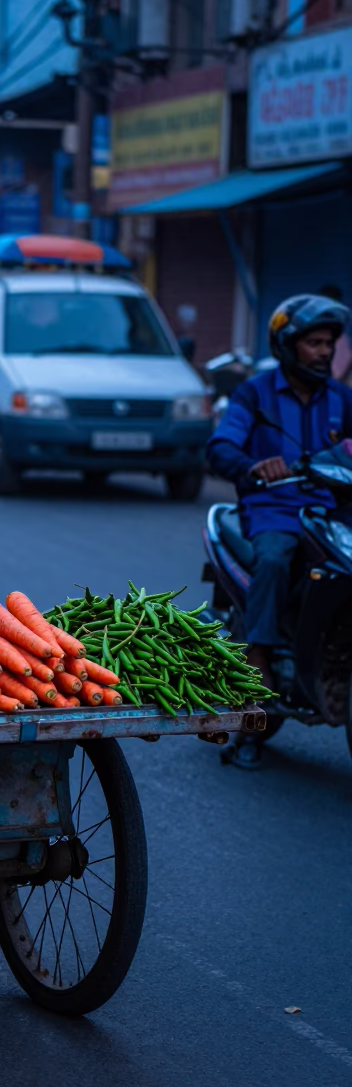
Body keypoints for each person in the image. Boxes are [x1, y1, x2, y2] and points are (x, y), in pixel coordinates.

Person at [207, 293, 352, 767]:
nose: (326, 351)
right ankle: (259, 662)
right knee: (273, 558)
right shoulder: (257, 393)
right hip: (275, 509)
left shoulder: (340, 398)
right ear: (289, 345)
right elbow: (221, 445)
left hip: (332, 509)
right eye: (315, 342)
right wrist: (252, 466)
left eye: (330, 342)